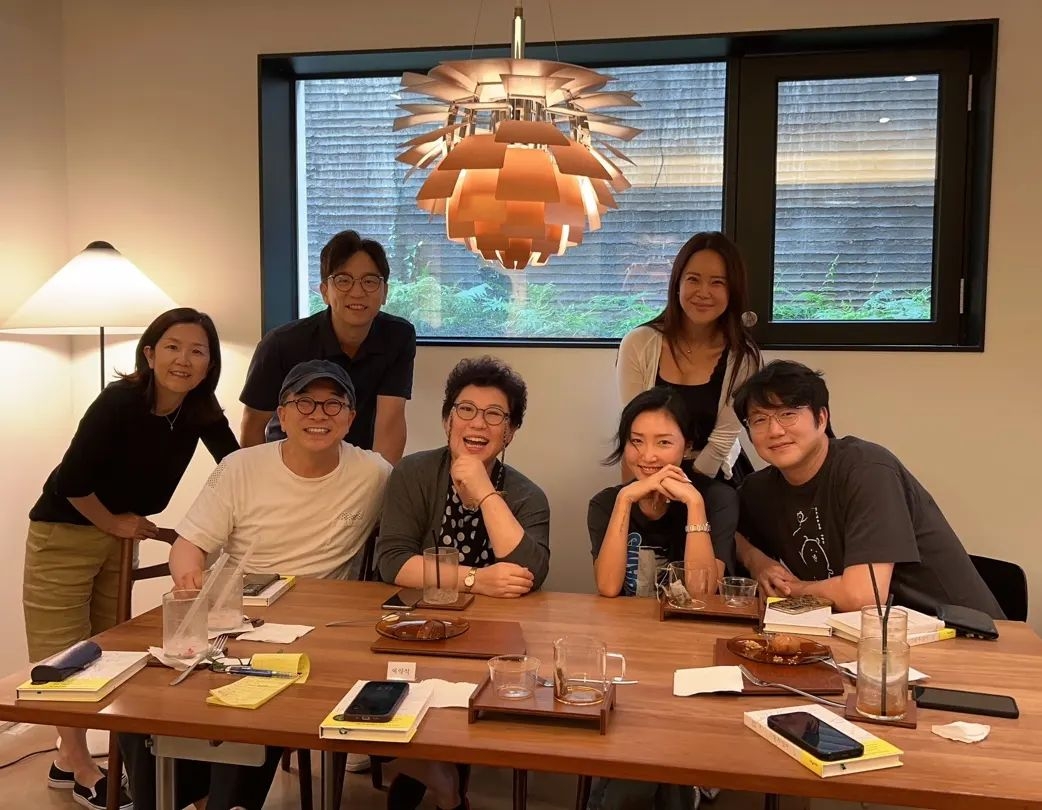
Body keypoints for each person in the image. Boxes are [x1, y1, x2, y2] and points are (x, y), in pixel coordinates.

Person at [120, 359, 392, 810]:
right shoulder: (240, 467)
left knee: (249, 705)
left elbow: (413, 518)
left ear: (350, 417)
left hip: (313, 631)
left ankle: (223, 802)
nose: (318, 414)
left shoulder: (373, 473)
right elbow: (189, 544)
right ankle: (166, 796)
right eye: (303, 403)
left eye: (332, 404)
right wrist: (189, 581)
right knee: (146, 701)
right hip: (232, 617)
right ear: (281, 414)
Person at [22, 307, 237, 810]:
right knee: (62, 653)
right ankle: (81, 765)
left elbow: (235, 465)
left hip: (119, 534)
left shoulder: (201, 408)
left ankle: (66, 756)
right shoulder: (119, 401)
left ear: (210, 364)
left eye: (197, 351)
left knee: (107, 650)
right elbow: (72, 481)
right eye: (173, 347)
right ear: (150, 353)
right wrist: (115, 523)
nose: (184, 359)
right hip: (65, 530)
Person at [375, 356, 550, 810]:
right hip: (418, 625)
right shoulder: (413, 473)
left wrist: (485, 491)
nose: (478, 422)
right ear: (447, 419)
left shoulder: (527, 495)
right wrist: (478, 579)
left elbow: (531, 571)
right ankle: (442, 784)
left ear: (510, 432)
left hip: (493, 637)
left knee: (476, 690)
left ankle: (439, 779)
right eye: (466, 409)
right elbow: (393, 562)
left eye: (495, 415)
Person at [733, 360, 1004, 617]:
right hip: (862, 633)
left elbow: (863, 595)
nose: (775, 430)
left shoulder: (867, 470)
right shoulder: (759, 489)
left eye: (788, 414)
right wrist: (757, 561)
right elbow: (727, 531)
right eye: (759, 420)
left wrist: (794, 590)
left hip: (960, 632)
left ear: (822, 418)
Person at [239, 229, 416, 464]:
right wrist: (265, 478)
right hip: (289, 465)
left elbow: (390, 423)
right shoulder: (282, 344)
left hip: (358, 465)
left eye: (370, 281)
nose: (357, 292)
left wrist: (379, 479)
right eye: (343, 280)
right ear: (325, 292)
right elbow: (252, 425)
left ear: (385, 292)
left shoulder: (398, 336)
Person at [617, 231, 761, 482]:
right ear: (677, 284)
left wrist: (683, 491)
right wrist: (639, 490)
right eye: (693, 279)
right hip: (650, 469)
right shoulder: (639, 343)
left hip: (712, 474)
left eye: (717, 282)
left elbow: (721, 441)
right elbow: (634, 431)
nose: (703, 292)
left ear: (732, 291)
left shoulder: (743, 357)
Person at [589, 387, 736, 598]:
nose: (648, 456)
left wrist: (695, 504)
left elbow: (702, 592)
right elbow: (608, 587)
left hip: (686, 619)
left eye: (664, 442)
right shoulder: (606, 502)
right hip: (627, 618)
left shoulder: (718, 499)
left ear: (687, 447)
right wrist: (624, 500)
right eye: (636, 441)